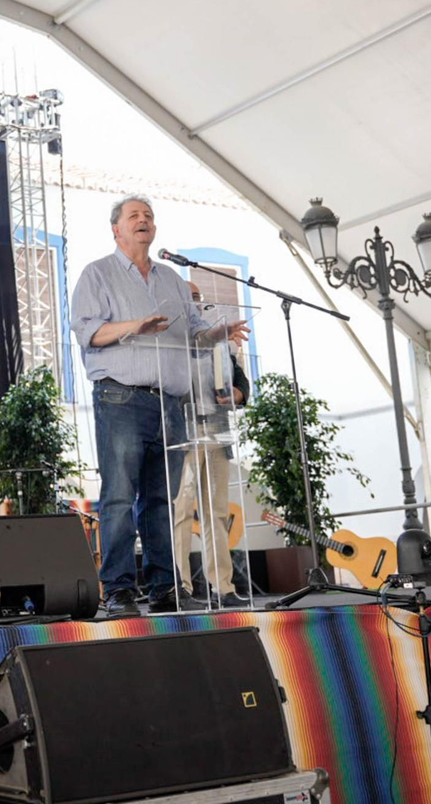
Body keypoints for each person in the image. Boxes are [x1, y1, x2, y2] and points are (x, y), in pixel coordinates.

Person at [70, 196, 247, 617]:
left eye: (148, 216)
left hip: (171, 403)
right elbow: (87, 333)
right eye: (134, 216)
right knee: (117, 497)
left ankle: (164, 586)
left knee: (161, 500)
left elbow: (195, 334)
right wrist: (137, 326)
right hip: (121, 398)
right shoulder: (97, 274)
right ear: (116, 229)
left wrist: (219, 331)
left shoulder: (170, 277)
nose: (143, 221)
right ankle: (118, 589)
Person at [171, 279, 250, 609]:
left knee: (216, 513)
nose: (195, 303)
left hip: (217, 433)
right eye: (188, 298)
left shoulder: (221, 342)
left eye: (198, 298)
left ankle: (223, 587)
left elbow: (240, 380)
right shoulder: (170, 341)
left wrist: (239, 394)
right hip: (182, 438)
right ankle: (181, 588)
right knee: (180, 515)